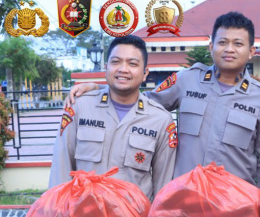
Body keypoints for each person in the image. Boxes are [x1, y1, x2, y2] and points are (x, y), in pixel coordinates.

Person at [69, 13, 260, 190]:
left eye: (238, 44)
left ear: (251, 51)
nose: (229, 49)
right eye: (222, 42)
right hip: (184, 200)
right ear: (211, 47)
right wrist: (101, 89)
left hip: (236, 204)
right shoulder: (187, 80)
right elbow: (144, 103)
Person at [50, 35, 176, 201]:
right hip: (84, 213)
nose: (123, 69)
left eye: (132, 64)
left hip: (134, 215)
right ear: (106, 67)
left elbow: (163, 186)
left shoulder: (160, 120)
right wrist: (55, 210)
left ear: (145, 73)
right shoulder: (80, 107)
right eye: (116, 62)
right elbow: (61, 167)